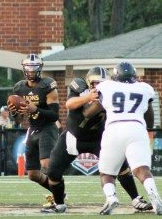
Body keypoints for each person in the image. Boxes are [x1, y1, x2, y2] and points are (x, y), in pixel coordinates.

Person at [41, 66, 152, 214]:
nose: (97, 86)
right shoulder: (79, 86)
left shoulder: (112, 92)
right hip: (74, 136)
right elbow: (69, 104)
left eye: (101, 82)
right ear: (88, 82)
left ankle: (136, 199)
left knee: (121, 168)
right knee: (53, 171)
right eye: (94, 82)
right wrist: (88, 98)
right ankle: (59, 204)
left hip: (99, 138)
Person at [83, 62, 162, 215]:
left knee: (107, 172)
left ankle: (111, 198)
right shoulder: (144, 88)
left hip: (114, 128)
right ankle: (155, 195)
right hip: (137, 128)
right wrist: (146, 130)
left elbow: (88, 113)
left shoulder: (106, 87)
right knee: (141, 169)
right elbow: (150, 117)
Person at [7, 54, 59, 203]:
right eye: (28, 68)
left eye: (34, 68)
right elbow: (17, 119)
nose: (30, 71)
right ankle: (59, 192)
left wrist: (35, 109)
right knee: (33, 174)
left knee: (46, 164)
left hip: (47, 128)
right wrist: (14, 111)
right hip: (33, 129)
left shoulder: (47, 85)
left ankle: (58, 197)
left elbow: (54, 115)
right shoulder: (19, 87)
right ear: (24, 69)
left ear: (40, 68)